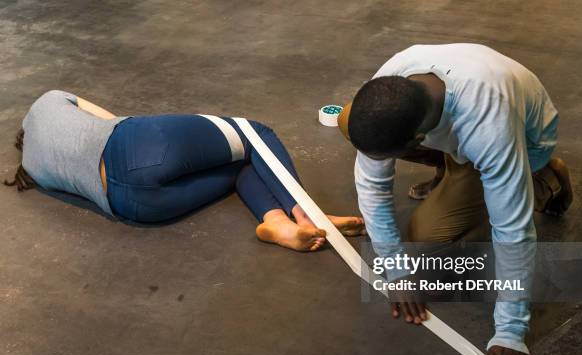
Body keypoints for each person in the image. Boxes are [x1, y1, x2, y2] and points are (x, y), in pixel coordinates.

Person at [337, 44, 573, 355]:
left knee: (428, 239)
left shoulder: (489, 122)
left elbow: (513, 230)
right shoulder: (393, 79)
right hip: (459, 131)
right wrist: (396, 268)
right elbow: (372, 185)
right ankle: (450, 169)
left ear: (419, 141)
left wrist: (510, 331)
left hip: (525, 140)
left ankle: (545, 178)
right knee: (352, 121)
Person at [4, 90, 365, 252]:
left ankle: (279, 224)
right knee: (257, 135)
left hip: (135, 205)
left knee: (240, 159)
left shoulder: (34, 170)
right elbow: (110, 118)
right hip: (133, 146)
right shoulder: (47, 101)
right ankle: (306, 214)